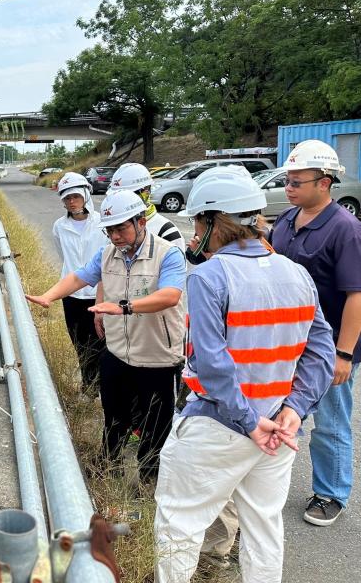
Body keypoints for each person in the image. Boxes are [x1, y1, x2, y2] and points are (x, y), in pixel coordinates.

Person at [154, 165, 334, 583]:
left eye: (198, 222)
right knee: (264, 527)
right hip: (279, 429)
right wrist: (294, 409)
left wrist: (251, 422)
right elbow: (321, 351)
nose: (195, 234)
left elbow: (213, 365)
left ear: (217, 220)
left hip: (221, 426)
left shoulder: (209, 275)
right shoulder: (297, 273)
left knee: (179, 524)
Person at [27, 189, 186, 483]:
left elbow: (170, 295)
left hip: (157, 358)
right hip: (117, 353)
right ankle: (107, 469)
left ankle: (149, 481)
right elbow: (79, 276)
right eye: (110, 230)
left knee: (155, 427)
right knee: (114, 418)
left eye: (121, 228)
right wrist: (48, 296)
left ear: (141, 222)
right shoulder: (108, 254)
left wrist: (123, 307)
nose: (115, 237)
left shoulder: (167, 253)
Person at [267, 139, 361, 526]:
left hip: (328, 348)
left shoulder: (346, 229)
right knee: (282, 413)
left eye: (296, 182)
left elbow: (355, 295)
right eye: (287, 181)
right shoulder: (287, 221)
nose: (288, 188)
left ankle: (330, 493)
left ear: (325, 183)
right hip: (288, 341)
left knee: (330, 422)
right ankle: (268, 486)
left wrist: (344, 354)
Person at [51, 172, 109, 390]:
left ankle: (102, 384)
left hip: (98, 294)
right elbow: (63, 256)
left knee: (101, 342)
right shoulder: (59, 226)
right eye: (67, 198)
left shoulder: (102, 223)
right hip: (72, 296)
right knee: (79, 342)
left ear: (86, 194)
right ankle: (89, 384)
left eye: (75, 196)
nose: (72, 202)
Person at [110, 162, 186, 253]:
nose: (120, 201)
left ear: (146, 191)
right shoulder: (111, 228)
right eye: (116, 196)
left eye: (128, 195)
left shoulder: (167, 231)